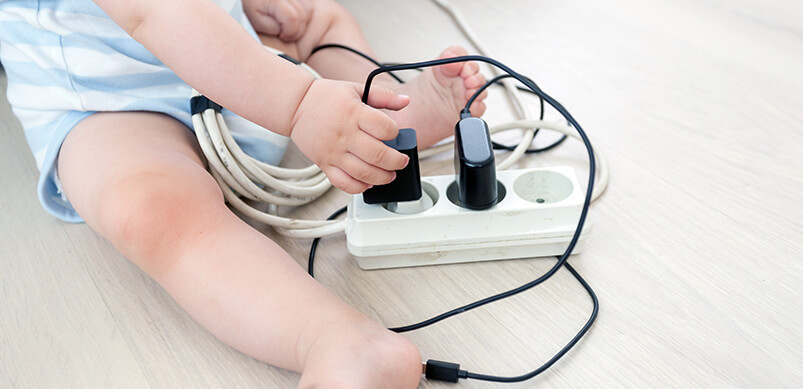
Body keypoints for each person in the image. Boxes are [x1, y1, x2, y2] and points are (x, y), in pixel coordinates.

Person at [0, 0, 487, 387]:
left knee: (311, 18)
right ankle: (335, 338)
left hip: (233, 54)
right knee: (151, 208)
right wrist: (299, 105)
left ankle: (381, 124)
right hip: (107, 104)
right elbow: (153, 11)